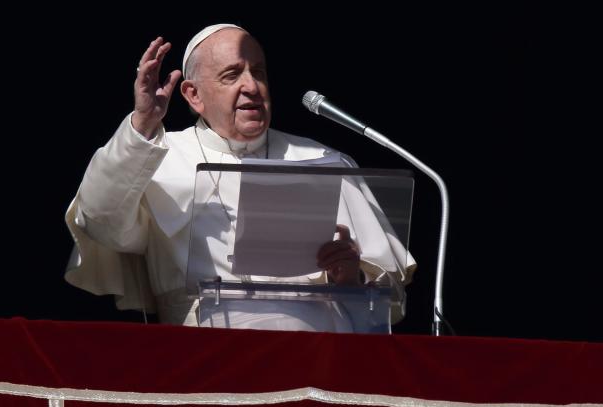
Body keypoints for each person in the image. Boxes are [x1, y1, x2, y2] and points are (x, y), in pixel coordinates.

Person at [65, 24, 415, 330]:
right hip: (208, 356)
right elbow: (99, 221)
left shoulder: (322, 160)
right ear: (193, 95)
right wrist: (142, 123)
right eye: (232, 75)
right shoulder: (156, 157)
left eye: (258, 72)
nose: (251, 85)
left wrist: (350, 281)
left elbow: (388, 308)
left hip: (317, 355)